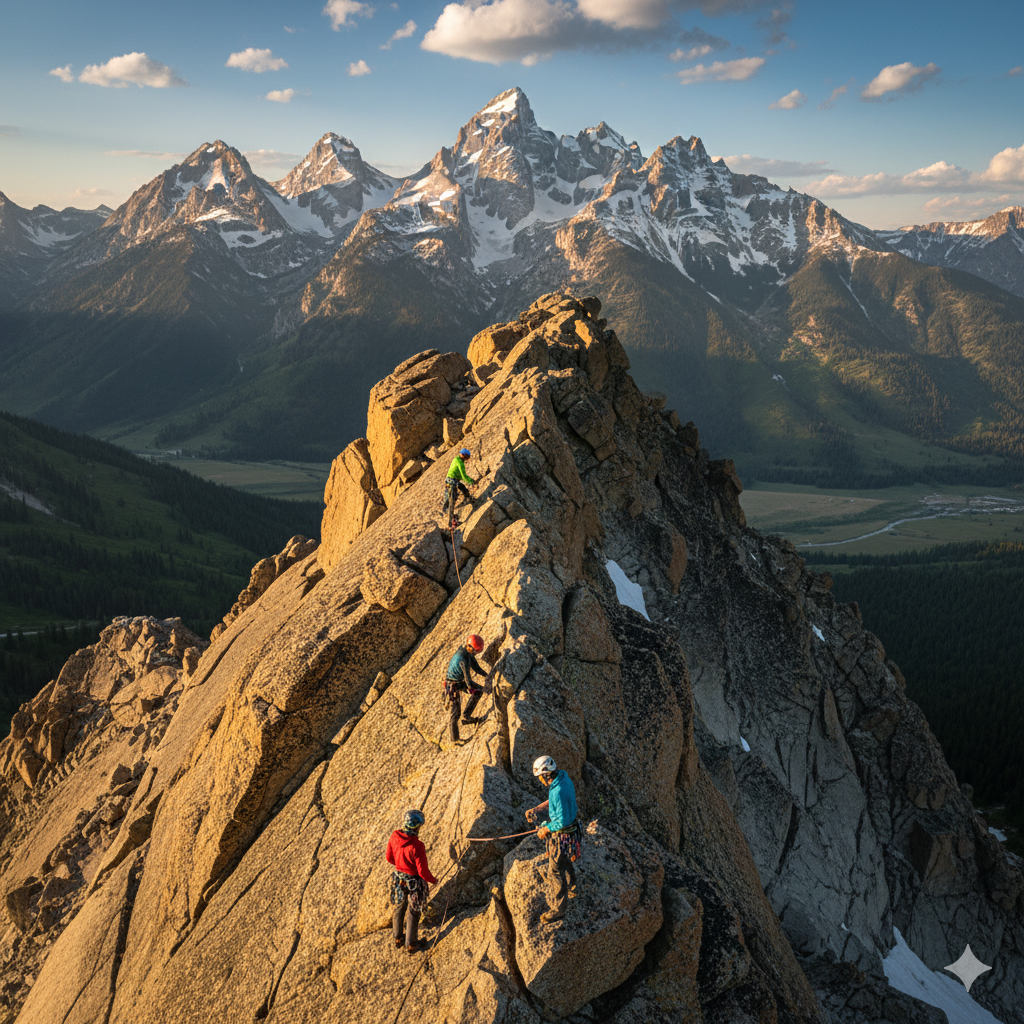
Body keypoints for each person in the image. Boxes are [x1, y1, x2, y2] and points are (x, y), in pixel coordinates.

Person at [525, 755, 582, 924]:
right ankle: (573, 883)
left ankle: (558, 910)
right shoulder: (563, 778)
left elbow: (561, 821)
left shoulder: (557, 790)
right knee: (564, 858)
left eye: (540, 777)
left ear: (545, 775)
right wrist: (537, 809)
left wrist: (546, 829)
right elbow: (554, 801)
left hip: (563, 832)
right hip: (571, 830)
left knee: (555, 871)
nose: (540, 781)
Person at [386, 809, 438, 954]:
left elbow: (389, 857)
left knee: (399, 907)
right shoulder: (417, 846)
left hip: (399, 878)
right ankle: (411, 944)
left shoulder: (394, 836)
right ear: (418, 826)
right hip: (414, 881)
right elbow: (422, 871)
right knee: (413, 912)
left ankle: (397, 938)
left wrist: (401, 865)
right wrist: (433, 880)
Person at [444, 634, 487, 743]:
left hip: (459, 682)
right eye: (476, 651)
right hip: (452, 686)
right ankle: (455, 739)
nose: (476, 654)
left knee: (479, 692)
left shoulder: (468, 653)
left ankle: (467, 716)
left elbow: (476, 668)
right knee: (455, 713)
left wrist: (488, 675)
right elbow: (468, 681)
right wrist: (472, 689)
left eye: (478, 652)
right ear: (470, 647)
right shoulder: (463, 659)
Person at [442, 448, 475, 526]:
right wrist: (472, 481)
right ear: (464, 455)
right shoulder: (460, 462)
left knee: (462, 488)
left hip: (451, 481)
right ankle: (451, 521)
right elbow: (463, 476)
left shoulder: (456, 459)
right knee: (451, 500)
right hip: (452, 482)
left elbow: (458, 474)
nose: (467, 459)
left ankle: (468, 497)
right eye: (467, 457)